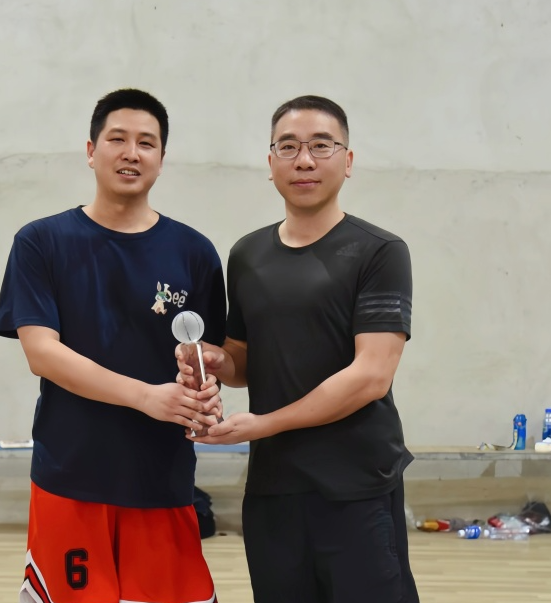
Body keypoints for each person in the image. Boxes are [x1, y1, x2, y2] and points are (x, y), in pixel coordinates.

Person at [177, 95, 419, 603]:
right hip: (274, 488)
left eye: (321, 146)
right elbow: (244, 359)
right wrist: (219, 362)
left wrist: (263, 424)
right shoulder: (247, 254)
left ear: (347, 161)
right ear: (270, 163)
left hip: (356, 486)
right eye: (288, 147)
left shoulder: (380, 252)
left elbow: (371, 377)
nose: (304, 160)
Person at [0, 88, 226, 603]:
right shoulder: (41, 241)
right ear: (91, 150)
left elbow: (207, 356)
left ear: (162, 158)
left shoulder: (195, 252)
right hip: (71, 474)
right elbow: (41, 353)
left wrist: (204, 393)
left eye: (147, 142)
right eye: (117, 139)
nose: (131, 152)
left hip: (161, 477)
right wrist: (146, 396)